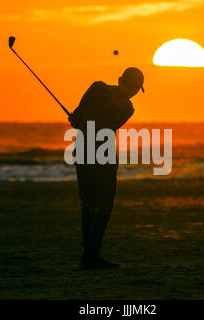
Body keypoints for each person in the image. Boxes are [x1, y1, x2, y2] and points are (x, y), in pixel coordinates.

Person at [68, 67, 145, 269]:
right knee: (91, 201)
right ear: (120, 80)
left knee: (101, 203)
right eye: (131, 86)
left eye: (136, 88)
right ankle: (90, 254)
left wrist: (77, 119)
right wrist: (77, 119)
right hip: (93, 152)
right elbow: (77, 119)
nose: (133, 91)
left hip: (100, 153)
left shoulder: (127, 107)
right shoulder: (98, 89)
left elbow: (96, 121)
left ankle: (91, 253)